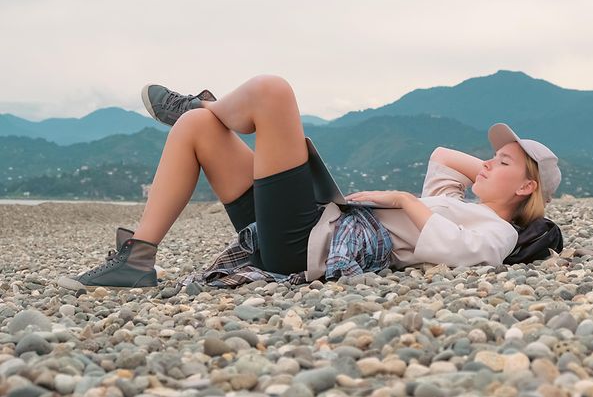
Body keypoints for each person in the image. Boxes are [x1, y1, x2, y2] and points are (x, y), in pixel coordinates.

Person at [73, 74, 561, 288]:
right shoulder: (456, 203)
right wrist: (493, 174)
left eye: (502, 163)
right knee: (196, 131)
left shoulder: (498, 233)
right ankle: (137, 258)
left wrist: (398, 200)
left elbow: (453, 252)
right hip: (300, 230)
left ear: (525, 190)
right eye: (491, 157)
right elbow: (441, 156)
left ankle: (207, 103)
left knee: (272, 92)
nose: (486, 163)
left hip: (311, 243)